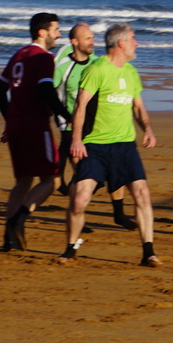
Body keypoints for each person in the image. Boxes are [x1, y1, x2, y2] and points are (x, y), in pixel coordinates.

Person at [59, 22, 159, 266]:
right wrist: (76, 140)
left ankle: (148, 252)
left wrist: (147, 129)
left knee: (142, 194)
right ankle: (71, 248)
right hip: (94, 146)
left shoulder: (131, 72)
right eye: (133, 39)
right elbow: (80, 106)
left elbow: (138, 106)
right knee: (79, 200)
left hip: (124, 146)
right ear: (121, 43)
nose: (137, 43)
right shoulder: (96, 69)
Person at [0, 12, 72, 251]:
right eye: (56, 30)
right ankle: (18, 220)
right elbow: (46, 91)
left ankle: (8, 238)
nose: (59, 34)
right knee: (52, 179)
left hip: (16, 125)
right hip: (35, 125)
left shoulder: (19, 54)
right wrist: (67, 116)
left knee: (23, 181)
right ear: (42, 32)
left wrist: (10, 118)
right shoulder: (44, 57)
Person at [53, 23, 137, 230]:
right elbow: (50, 95)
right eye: (88, 38)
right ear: (75, 42)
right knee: (81, 177)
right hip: (70, 129)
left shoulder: (97, 63)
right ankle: (76, 216)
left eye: (93, 38)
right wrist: (61, 118)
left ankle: (118, 214)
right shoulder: (63, 67)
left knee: (109, 173)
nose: (93, 42)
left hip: (95, 129)